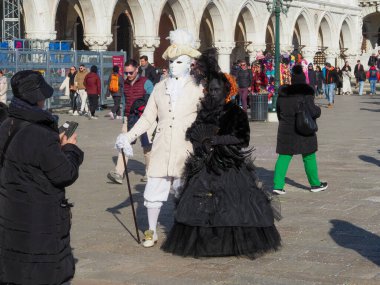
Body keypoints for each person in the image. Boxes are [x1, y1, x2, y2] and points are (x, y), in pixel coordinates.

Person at [161, 62, 281, 258]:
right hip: (205, 164)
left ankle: (232, 242)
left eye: (217, 90)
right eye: (211, 90)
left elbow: (242, 138)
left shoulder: (236, 112)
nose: (213, 93)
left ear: (226, 91)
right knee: (202, 203)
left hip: (229, 164)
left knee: (232, 204)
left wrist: (216, 140)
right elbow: (193, 133)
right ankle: (208, 242)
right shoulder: (204, 111)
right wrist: (201, 142)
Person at [115, 29, 203, 248]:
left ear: (189, 63)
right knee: (154, 187)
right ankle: (151, 231)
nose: (174, 65)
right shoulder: (158, 87)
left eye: (179, 61)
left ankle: (185, 231)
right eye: (171, 61)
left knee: (185, 190)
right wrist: (128, 136)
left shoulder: (199, 89)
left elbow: (208, 118)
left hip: (187, 146)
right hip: (162, 144)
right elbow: (146, 118)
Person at [0, 70, 83, 285]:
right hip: (39, 218)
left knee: (15, 270)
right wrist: (70, 148)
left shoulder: (6, 125)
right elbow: (65, 174)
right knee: (42, 274)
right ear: (39, 98)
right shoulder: (41, 134)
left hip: (10, 212)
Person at [273, 65, 327, 195]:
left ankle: (278, 185)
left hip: (286, 128)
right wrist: (319, 110)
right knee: (309, 155)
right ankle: (315, 184)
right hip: (303, 129)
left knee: (284, 156)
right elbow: (313, 112)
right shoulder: (306, 94)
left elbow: (279, 112)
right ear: (303, 80)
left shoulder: (283, 94)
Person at [107, 59, 154, 184]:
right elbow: (124, 101)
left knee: (147, 147)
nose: (128, 75)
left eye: (131, 72)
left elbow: (153, 100)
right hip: (129, 117)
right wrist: (124, 118)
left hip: (145, 119)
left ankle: (150, 173)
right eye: (126, 73)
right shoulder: (125, 83)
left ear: (137, 69)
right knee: (124, 144)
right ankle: (119, 173)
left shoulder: (146, 82)